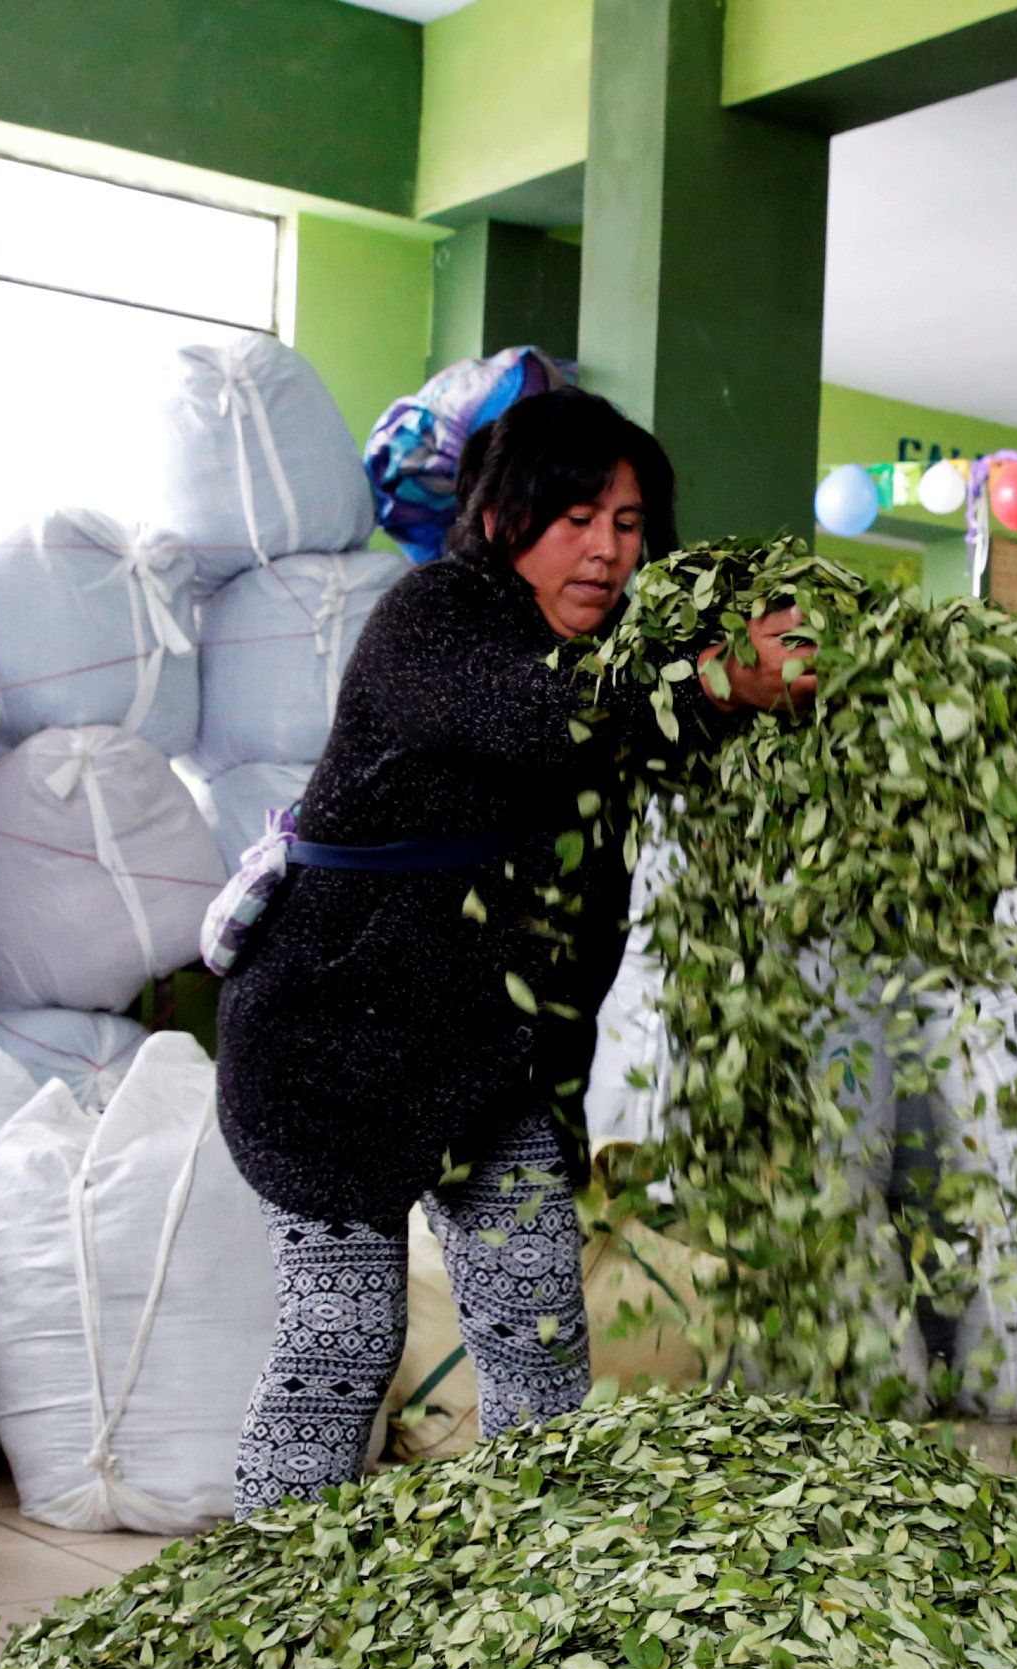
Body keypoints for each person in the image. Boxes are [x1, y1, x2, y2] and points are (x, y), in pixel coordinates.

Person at [212, 387, 806, 1513]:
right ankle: (268, 1589)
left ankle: (535, 1606)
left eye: (628, 525)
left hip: (488, 1061)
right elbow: (546, 718)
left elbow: (612, 844)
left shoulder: (625, 674)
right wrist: (717, 680)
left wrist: (777, 681)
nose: (603, 549)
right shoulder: (433, 618)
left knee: (538, 1347)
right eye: (574, 516)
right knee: (343, 1340)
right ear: (499, 521)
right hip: (329, 1050)